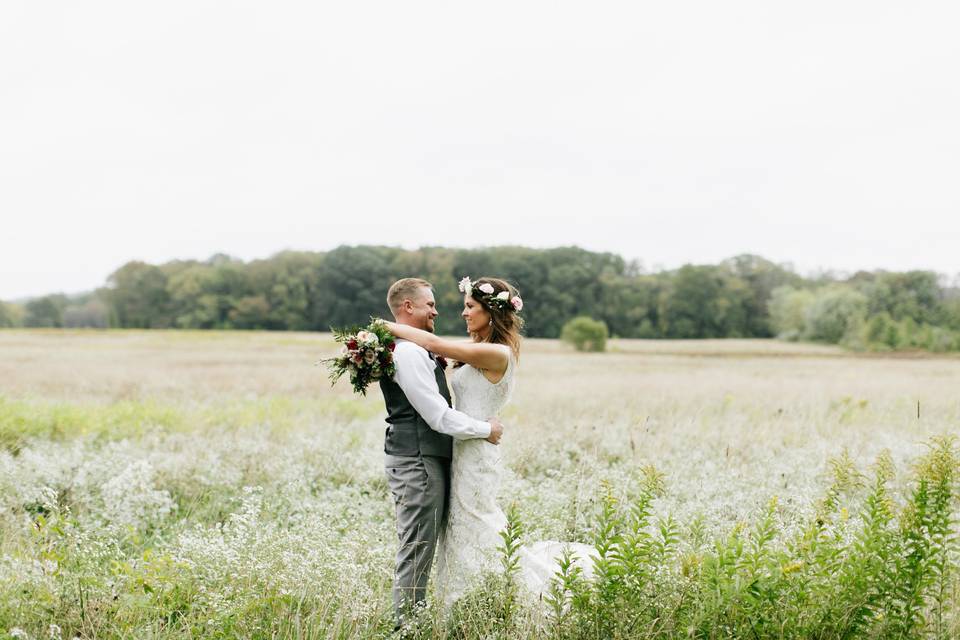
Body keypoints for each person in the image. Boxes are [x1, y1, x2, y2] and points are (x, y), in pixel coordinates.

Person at [385, 276, 593, 610]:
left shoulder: (497, 353)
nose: (462, 314)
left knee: (477, 523)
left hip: (477, 448)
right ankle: (467, 602)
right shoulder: (479, 352)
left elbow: (434, 345)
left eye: (470, 307)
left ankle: (510, 598)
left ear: (490, 312)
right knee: (462, 529)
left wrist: (385, 326)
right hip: (465, 443)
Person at [380, 278, 504, 628]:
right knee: (417, 548)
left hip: (430, 458)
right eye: (429, 304)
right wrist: (486, 430)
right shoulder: (408, 352)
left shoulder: (418, 350)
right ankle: (405, 629)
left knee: (425, 546)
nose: (437, 310)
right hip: (418, 460)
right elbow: (437, 416)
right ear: (408, 307)